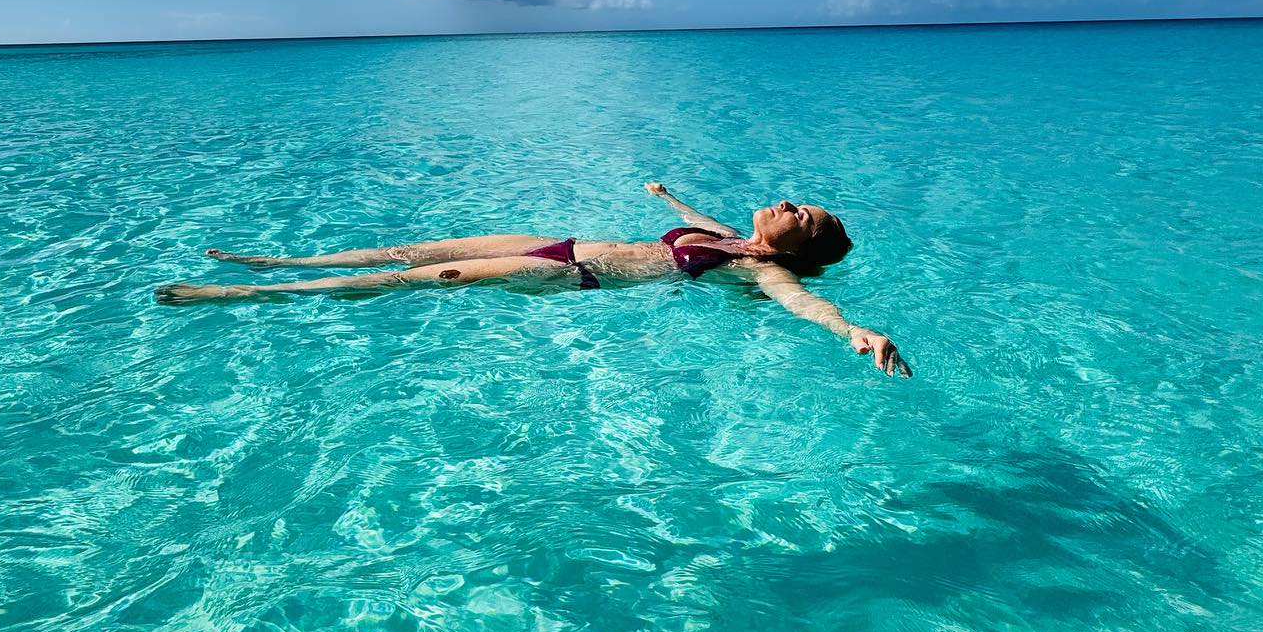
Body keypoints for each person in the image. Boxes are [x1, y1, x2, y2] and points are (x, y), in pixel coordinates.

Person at [154, 182, 911, 375]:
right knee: (419, 248)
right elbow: (696, 213)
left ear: (793, 247)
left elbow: (806, 304)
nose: (786, 204)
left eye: (800, 216)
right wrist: (666, 199)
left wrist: (854, 331)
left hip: (579, 277)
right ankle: (284, 263)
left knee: (433, 277)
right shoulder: (730, 236)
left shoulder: (767, 276)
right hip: (566, 243)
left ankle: (244, 295)